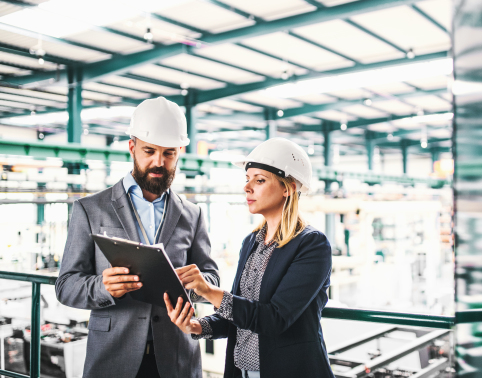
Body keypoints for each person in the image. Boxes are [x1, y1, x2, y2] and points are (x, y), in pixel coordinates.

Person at [55, 97, 219, 378]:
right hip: (113, 358)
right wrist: (103, 287)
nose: (159, 162)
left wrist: (196, 285)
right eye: (149, 151)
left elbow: (212, 278)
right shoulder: (91, 209)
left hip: (176, 359)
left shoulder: (192, 214)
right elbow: (66, 286)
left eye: (168, 153)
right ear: (132, 147)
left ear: (180, 151)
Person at [164, 137, 335, 378]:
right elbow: (237, 315)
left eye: (260, 180)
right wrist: (196, 326)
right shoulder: (251, 242)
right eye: (247, 179)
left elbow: (275, 319)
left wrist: (208, 291)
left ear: (288, 187)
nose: (247, 187)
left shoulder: (311, 245)